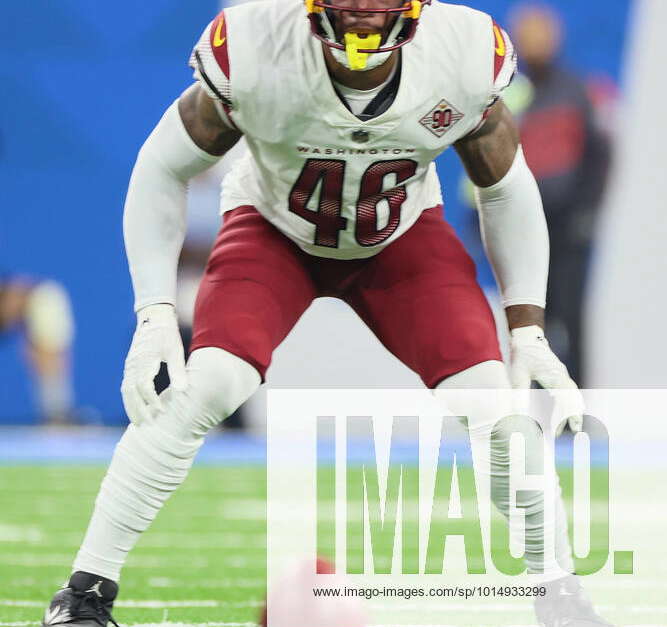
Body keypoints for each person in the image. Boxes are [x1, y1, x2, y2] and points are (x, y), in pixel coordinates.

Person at [41, 0, 612, 625]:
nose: (364, 8)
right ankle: (84, 592)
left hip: (399, 235)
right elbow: (163, 165)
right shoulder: (258, 43)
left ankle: (558, 594)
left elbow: (506, 185)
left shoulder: (465, 50)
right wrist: (153, 315)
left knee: (493, 405)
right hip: (274, 228)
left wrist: (526, 326)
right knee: (206, 385)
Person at [511, 4, 611, 385]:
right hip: (526, 229)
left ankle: (577, 408)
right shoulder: (512, 95)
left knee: (572, 316)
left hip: (569, 227)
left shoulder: (578, 91)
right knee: (532, 323)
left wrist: (587, 210)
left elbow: (599, 155)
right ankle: (536, 405)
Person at [0, 275, 76, 424]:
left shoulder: (36, 297)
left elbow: (12, 304)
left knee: (48, 357)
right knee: (40, 359)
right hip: (39, 305)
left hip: (43, 301)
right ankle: (56, 411)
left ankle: (58, 412)